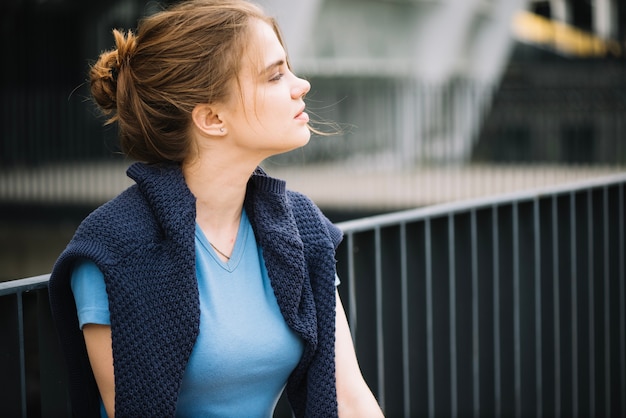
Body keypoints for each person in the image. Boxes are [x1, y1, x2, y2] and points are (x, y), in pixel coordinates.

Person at [48, 0, 384, 417]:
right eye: (275, 75)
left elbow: (348, 397)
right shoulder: (115, 248)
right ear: (211, 118)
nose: (302, 85)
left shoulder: (300, 227)